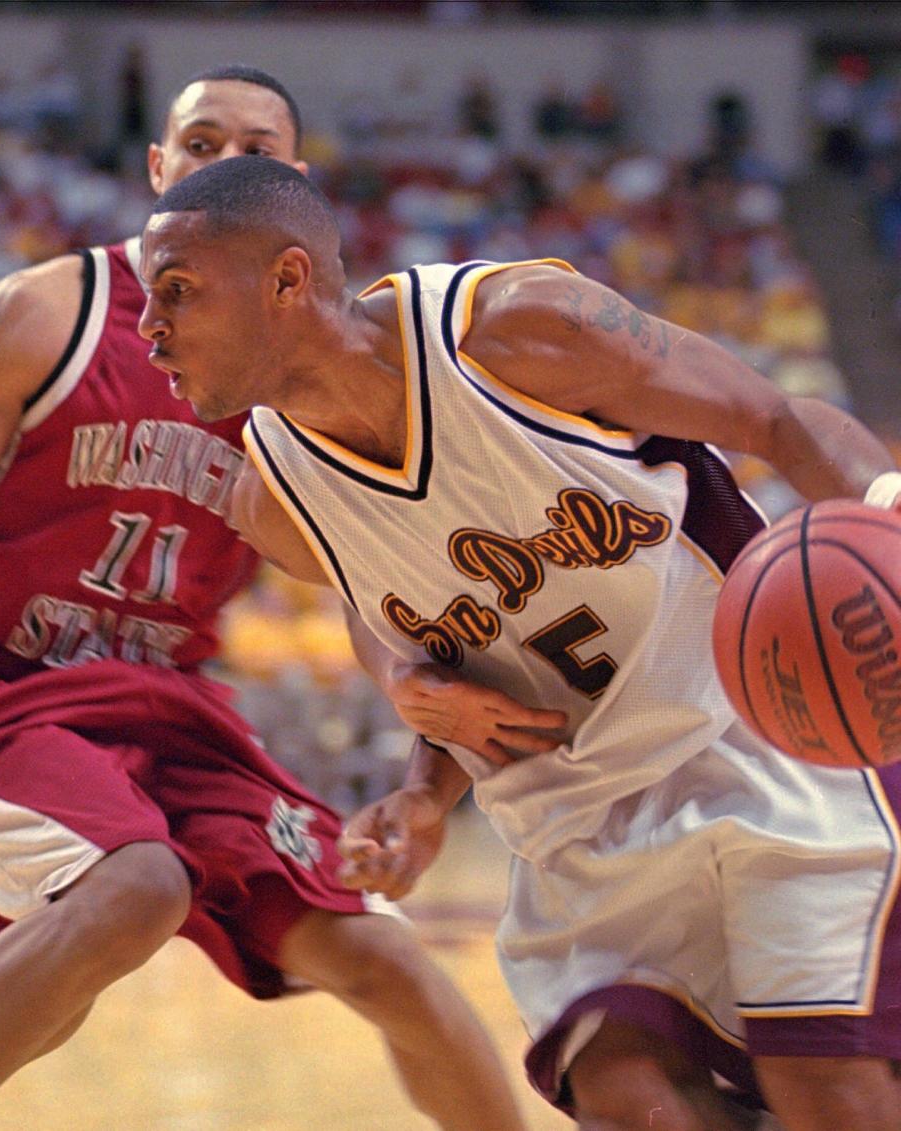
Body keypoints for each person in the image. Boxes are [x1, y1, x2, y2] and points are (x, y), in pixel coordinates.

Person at [138, 153, 901, 1131]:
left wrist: (884, 513)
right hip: (575, 828)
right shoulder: (274, 502)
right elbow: (403, 633)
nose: (150, 331)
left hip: (751, 743)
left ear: (287, 280)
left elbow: (782, 420)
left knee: (824, 1092)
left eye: (178, 294)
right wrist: (421, 779)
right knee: (629, 1101)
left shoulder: (517, 333)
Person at [0, 69, 528, 1131]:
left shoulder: (304, 375)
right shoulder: (44, 313)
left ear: (288, 187)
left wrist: (414, 707)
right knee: (138, 887)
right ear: (159, 169)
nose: (221, 160)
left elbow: (359, 574)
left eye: (251, 147)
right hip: (0, 689)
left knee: (385, 957)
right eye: (199, 142)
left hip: (169, 708)